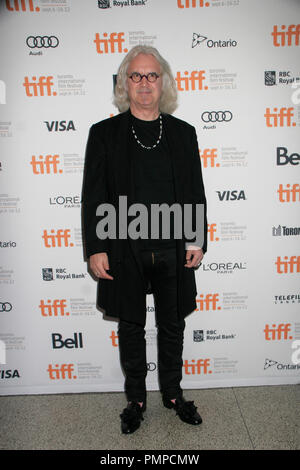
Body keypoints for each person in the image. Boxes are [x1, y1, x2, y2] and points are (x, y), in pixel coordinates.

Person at [82, 45, 207, 434]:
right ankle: (136, 399)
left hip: (172, 246)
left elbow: (195, 191)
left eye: (152, 75)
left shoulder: (184, 134)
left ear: (163, 81)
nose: (144, 83)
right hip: (124, 246)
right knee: (131, 326)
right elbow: (94, 194)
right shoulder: (104, 134)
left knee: (173, 326)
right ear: (125, 84)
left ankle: (173, 393)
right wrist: (96, 247)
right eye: (135, 76)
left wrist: (196, 239)